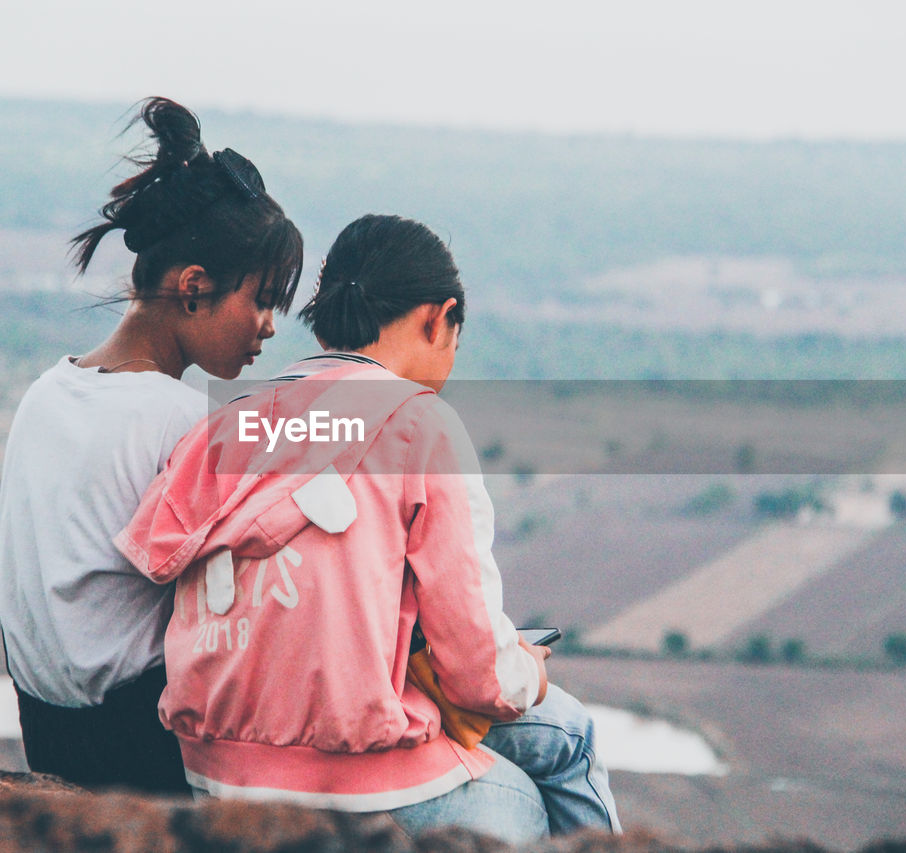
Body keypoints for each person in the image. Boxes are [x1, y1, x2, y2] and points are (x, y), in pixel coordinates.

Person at [115, 214, 618, 840]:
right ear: (439, 319)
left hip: (216, 772)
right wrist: (528, 671)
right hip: (358, 776)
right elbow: (479, 675)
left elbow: (160, 552)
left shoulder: (227, 422)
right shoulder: (420, 426)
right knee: (548, 769)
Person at [0, 96, 303, 793]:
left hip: (46, 729)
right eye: (261, 300)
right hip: (145, 751)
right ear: (194, 288)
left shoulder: (45, 394)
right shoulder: (184, 421)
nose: (269, 327)